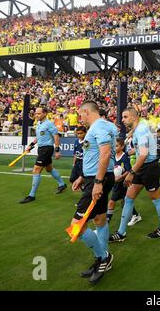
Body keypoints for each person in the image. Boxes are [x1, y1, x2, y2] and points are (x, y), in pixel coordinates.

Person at [71, 101, 117, 285]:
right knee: (99, 219)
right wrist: (83, 176)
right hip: (94, 178)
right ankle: (101, 261)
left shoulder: (99, 127)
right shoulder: (103, 126)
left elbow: (105, 154)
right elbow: (95, 155)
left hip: (98, 180)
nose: (79, 118)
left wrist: (97, 182)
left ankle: (104, 257)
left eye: (80, 114)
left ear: (87, 111)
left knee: (76, 226)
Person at [110, 107, 160, 242]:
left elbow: (143, 155)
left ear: (134, 117)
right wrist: (132, 149)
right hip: (142, 166)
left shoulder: (141, 130)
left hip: (149, 167)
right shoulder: (139, 128)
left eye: (125, 117)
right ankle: (121, 233)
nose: (122, 120)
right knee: (129, 198)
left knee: (156, 198)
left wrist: (131, 172)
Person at [19, 107, 67, 204]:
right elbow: (39, 137)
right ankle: (62, 184)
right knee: (49, 168)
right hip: (41, 149)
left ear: (45, 113)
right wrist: (31, 145)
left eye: (39, 113)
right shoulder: (39, 123)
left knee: (36, 169)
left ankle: (31, 195)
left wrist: (57, 150)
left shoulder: (49, 124)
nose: (36, 115)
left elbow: (56, 136)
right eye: (36, 113)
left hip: (47, 149)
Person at [107, 138, 141, 225]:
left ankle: (106, 223)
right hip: (116, 182)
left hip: (122, 183)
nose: (115, 147)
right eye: (114, 146)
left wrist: (121, 177)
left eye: (117, 146)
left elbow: (128, 170)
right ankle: (136, 215)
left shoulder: (125, 157)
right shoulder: (113, 156)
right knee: (124, 200)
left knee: (111, 202)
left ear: (122, 146)